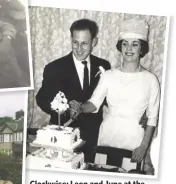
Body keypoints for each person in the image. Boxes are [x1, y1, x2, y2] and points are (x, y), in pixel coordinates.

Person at [69, 19, 160, 168]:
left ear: (142, 48)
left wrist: (144, 147)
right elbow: (94, 103)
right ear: (120, 47)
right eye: (125, 43)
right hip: (107, 136)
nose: (129, 48)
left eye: (134, 44)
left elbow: (152, 118)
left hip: (134, 141)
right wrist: (80, 107)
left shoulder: (151, 80)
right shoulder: (109, 75)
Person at [36, 18, 111, 162]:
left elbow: (109, 98)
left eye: (84, 43)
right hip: (63, 136)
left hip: (92, 136)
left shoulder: (103, 66)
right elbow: (41, 99)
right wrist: (63, 108)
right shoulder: (54, 68)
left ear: (94, 42)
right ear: (70, 40)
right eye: (75, 42)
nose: (79, 48)